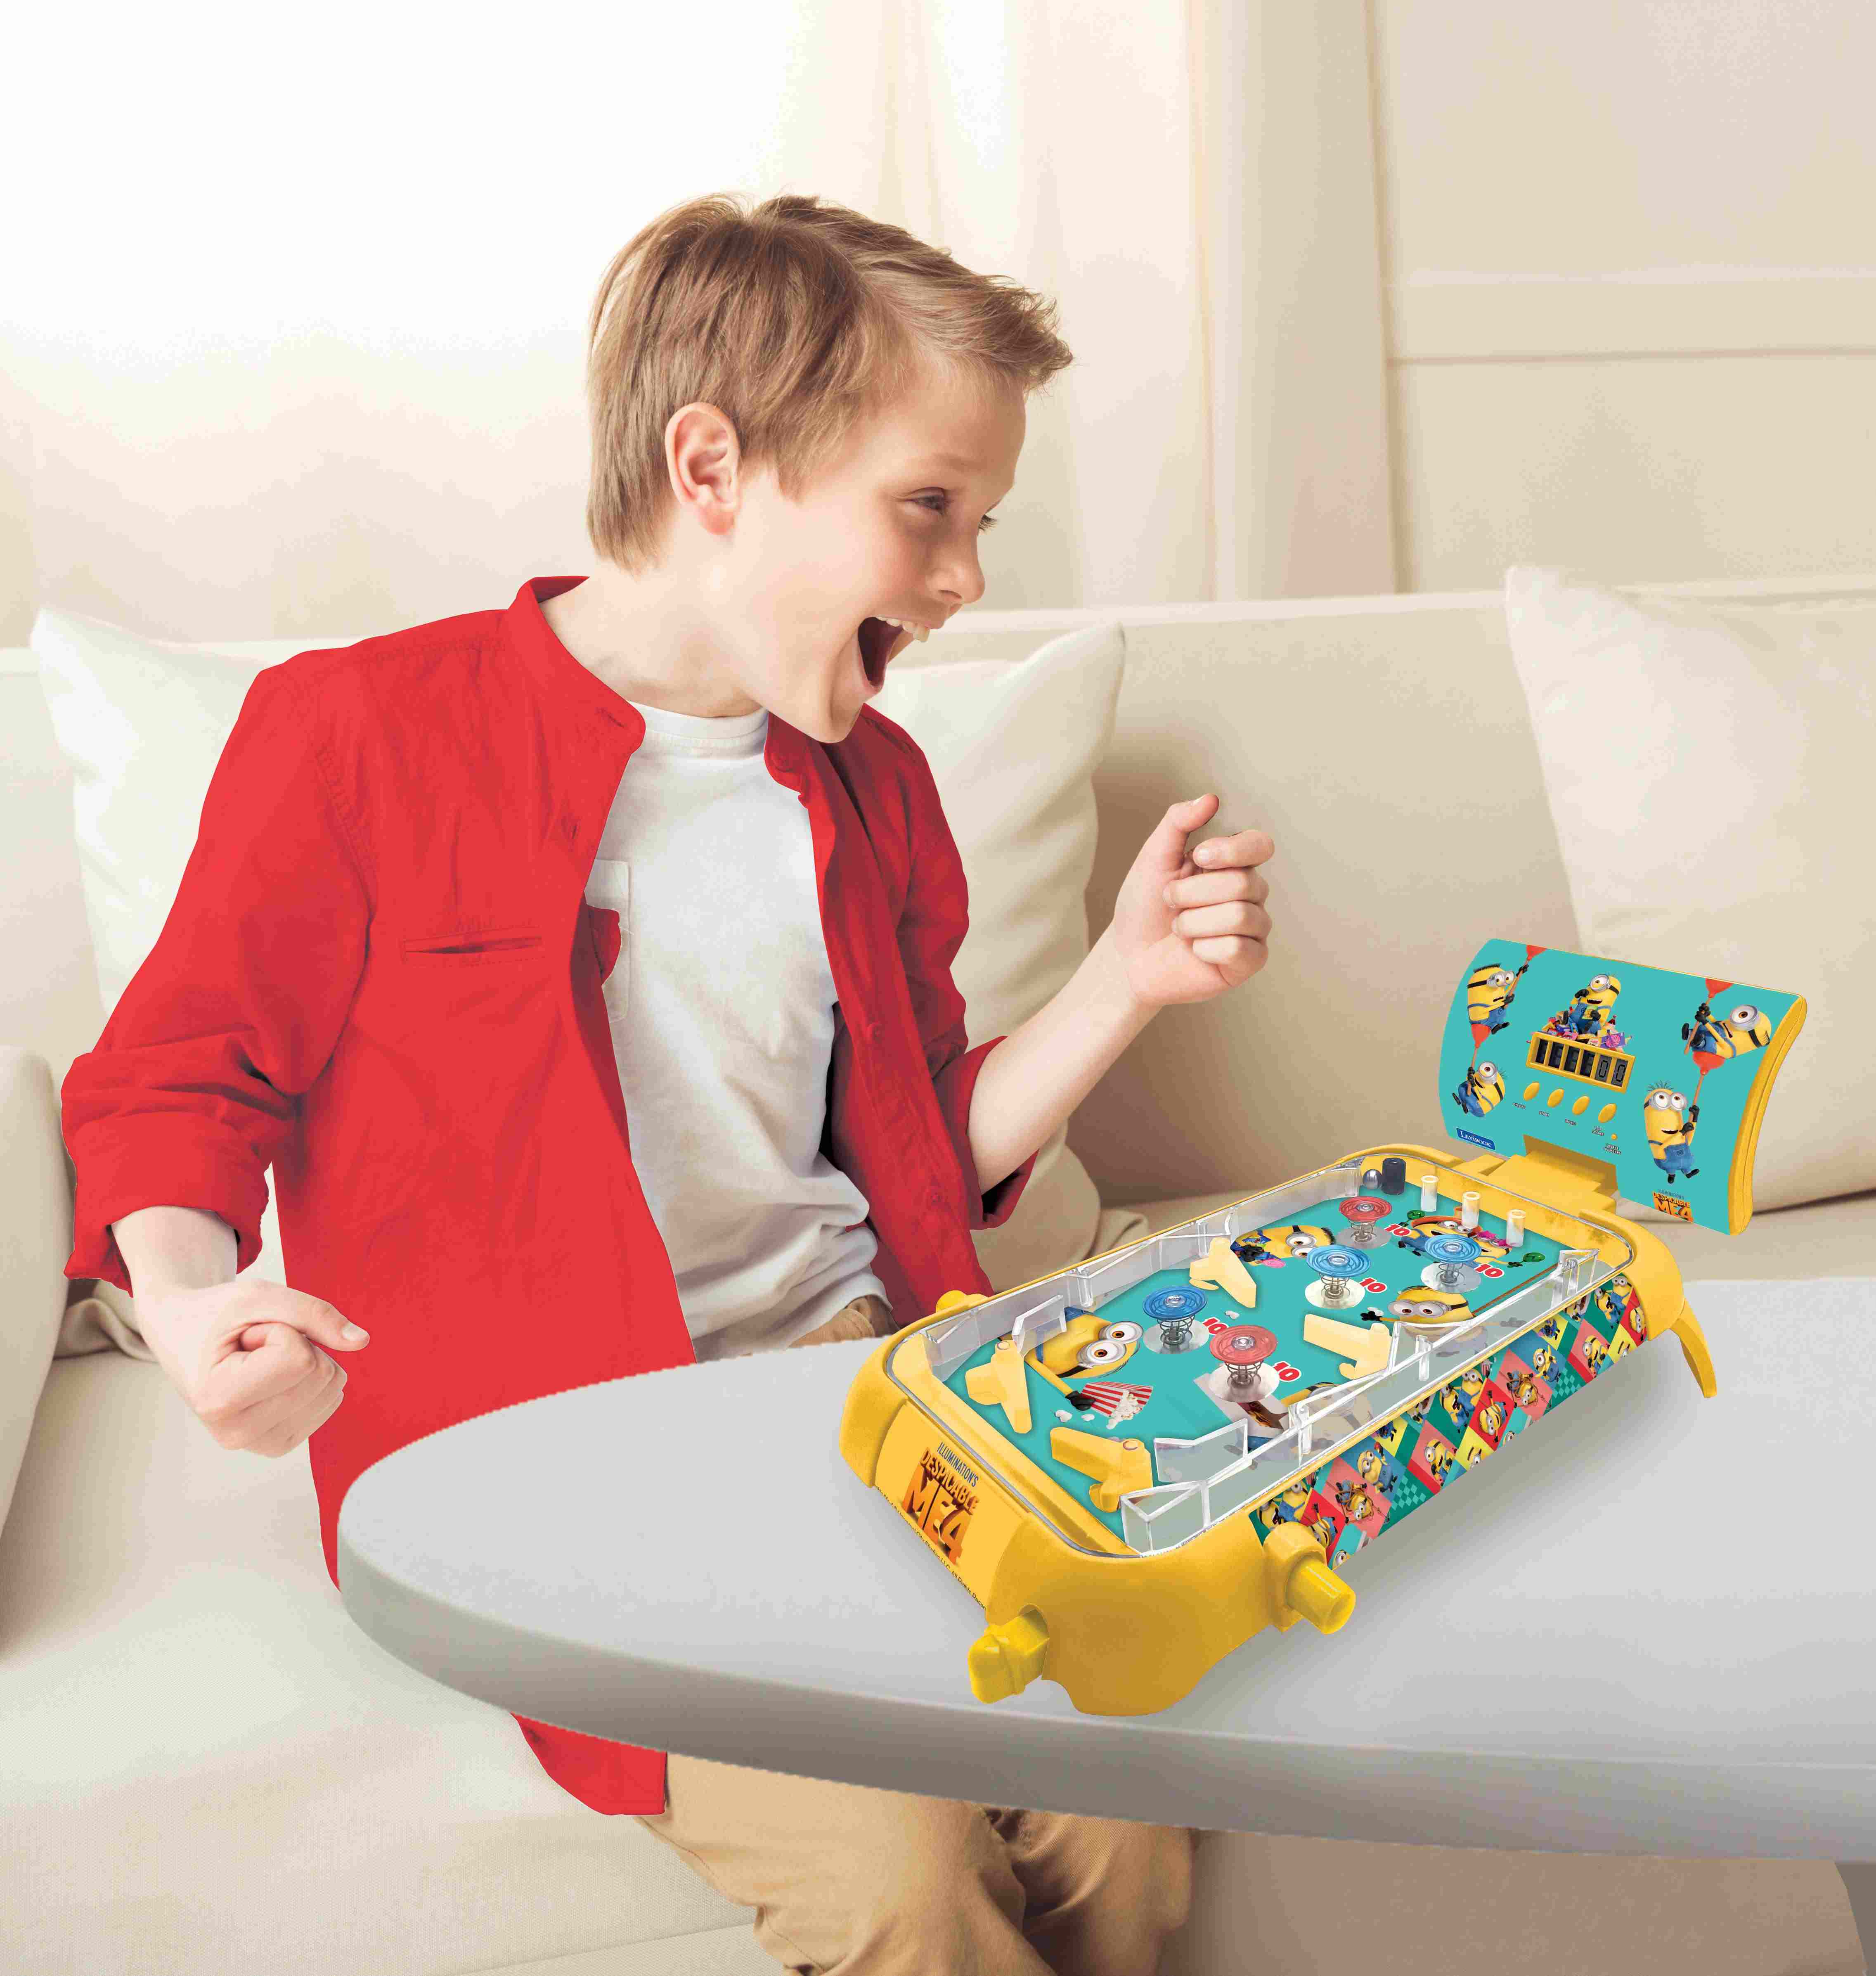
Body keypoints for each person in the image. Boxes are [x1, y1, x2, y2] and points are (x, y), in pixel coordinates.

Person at [62, 191, 1278, 1975]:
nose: (963, 579)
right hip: (554, 1464)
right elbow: (179, 1077)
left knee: (1126, 1808)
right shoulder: (361, 734)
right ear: (712, 467)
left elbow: (914, 1160)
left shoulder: (876, 788)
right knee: (903, 1875)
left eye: (982, 522)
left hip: (866, 1395)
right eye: (927, 508)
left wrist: (1123, 978)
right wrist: (186, 1308)